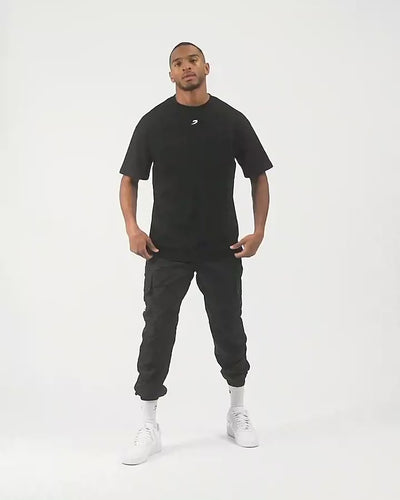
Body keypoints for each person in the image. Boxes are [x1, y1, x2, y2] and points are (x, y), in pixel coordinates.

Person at [119, 41, 274, 465]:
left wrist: (259, 230)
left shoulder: (231, 120)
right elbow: (129, 179)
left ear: (207, 67)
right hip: (165, 250)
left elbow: (258, 175)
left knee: (229, 328)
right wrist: (132, 228)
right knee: (157, 332)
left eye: (192, 60)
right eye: (178, 63)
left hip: (221, 249)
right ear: (170, 74)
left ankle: (237, 411)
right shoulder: (153, 122)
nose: (186, 67)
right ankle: (148, 423)